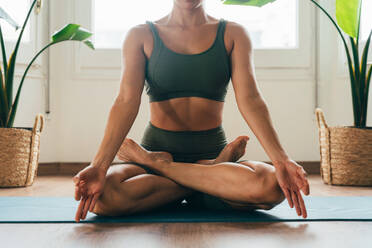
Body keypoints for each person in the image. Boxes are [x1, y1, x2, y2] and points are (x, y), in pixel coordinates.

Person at [72, 0, 310, 223]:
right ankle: (202, 177)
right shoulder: (141, 35)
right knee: (99, 197)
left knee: (273, 186)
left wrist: (281, 160)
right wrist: (99, 166)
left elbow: (251, 99)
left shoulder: (233, 34)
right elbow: (125, 101)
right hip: (179, 158)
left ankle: (167, 168)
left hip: (203, 157)